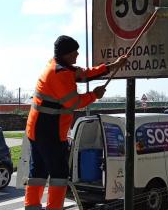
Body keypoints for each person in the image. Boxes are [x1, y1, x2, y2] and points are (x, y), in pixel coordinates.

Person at [24, 35, 126, 210]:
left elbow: (85, 74)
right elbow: (74, 103)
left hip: (36, 129)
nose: (77, 54)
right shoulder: (60, 74)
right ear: (64, 54)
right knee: (59, 174)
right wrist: (95, 95)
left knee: (38, 172)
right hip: (50, 132)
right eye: (74, 52)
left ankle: (32, 207)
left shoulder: (58, 67)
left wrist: (111, 67)